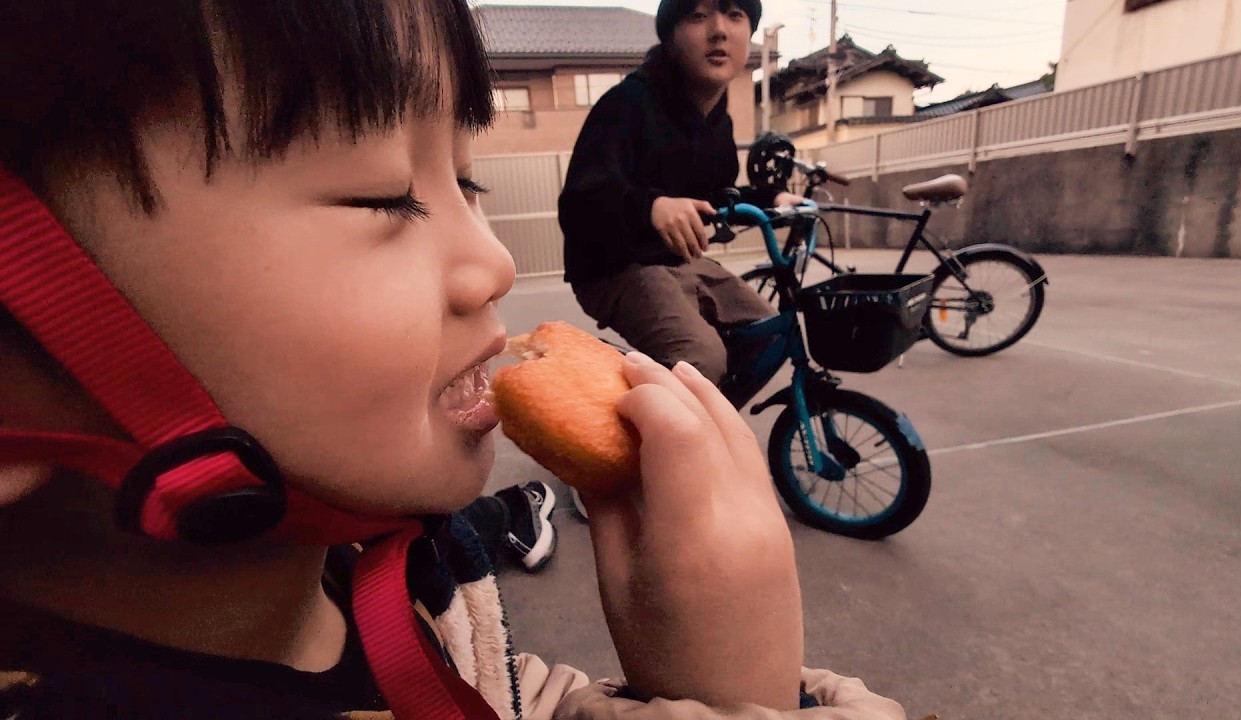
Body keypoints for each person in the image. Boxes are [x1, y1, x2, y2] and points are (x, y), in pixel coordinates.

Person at [0, 1, 909, 719]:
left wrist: (700, 684)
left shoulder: (413, 573)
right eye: (381, 193)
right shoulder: (629, 106)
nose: (495, 263)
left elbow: (500, 695)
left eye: (465, 179)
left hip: (688, 253)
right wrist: (740, 693)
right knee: (694, 351)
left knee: (756, 318)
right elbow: (591, 202)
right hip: (623, 257)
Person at [559, 0, 807, 393]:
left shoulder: (717, 123)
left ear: (749, 34)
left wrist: (772, 198)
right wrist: (650, 207)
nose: (719, 30)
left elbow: (714, 197)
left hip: (676, 262)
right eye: (698, 15)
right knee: (702, 358)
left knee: (768, 331)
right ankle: (644, 443)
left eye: (735, 15)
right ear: (670, 36)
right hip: (613, 266)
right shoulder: (627, 104)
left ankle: (702, 419)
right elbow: (580, 202)